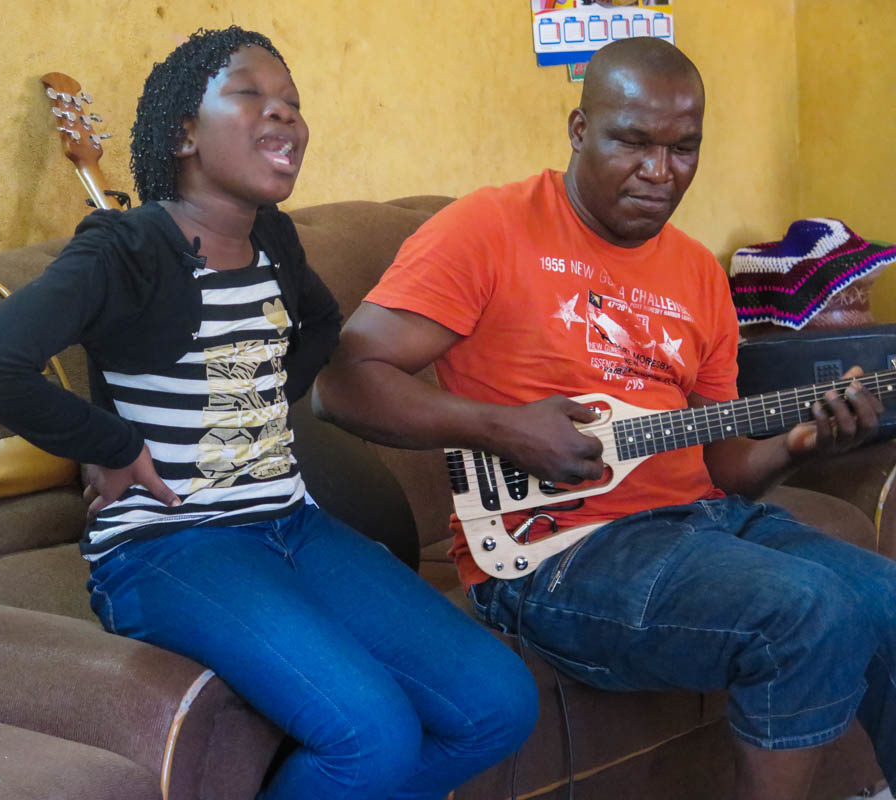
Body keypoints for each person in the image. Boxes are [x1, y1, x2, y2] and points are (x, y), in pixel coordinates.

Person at [0, 27, 538, 800]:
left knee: (500, 703)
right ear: (185, 132)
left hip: (292, 526)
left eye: (292, 102)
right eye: (251, 94)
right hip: (168, 546)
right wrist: (112, 442)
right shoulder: (123, 249)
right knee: (371, 736)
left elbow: (324, 327)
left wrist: (257, 399)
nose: (284, 115)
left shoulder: (274, 243)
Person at [313, 36, 896, 800]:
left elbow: (727, 471)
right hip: (554, 550)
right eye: (634, 141)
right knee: (804, 612)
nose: (661, 172)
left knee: (884, 600)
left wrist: (800, 444)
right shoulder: (487, 229)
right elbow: (343, 385)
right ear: (580, 130)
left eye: (684, 148)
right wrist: (504, 428)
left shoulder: (695, 272)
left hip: (701, 522)